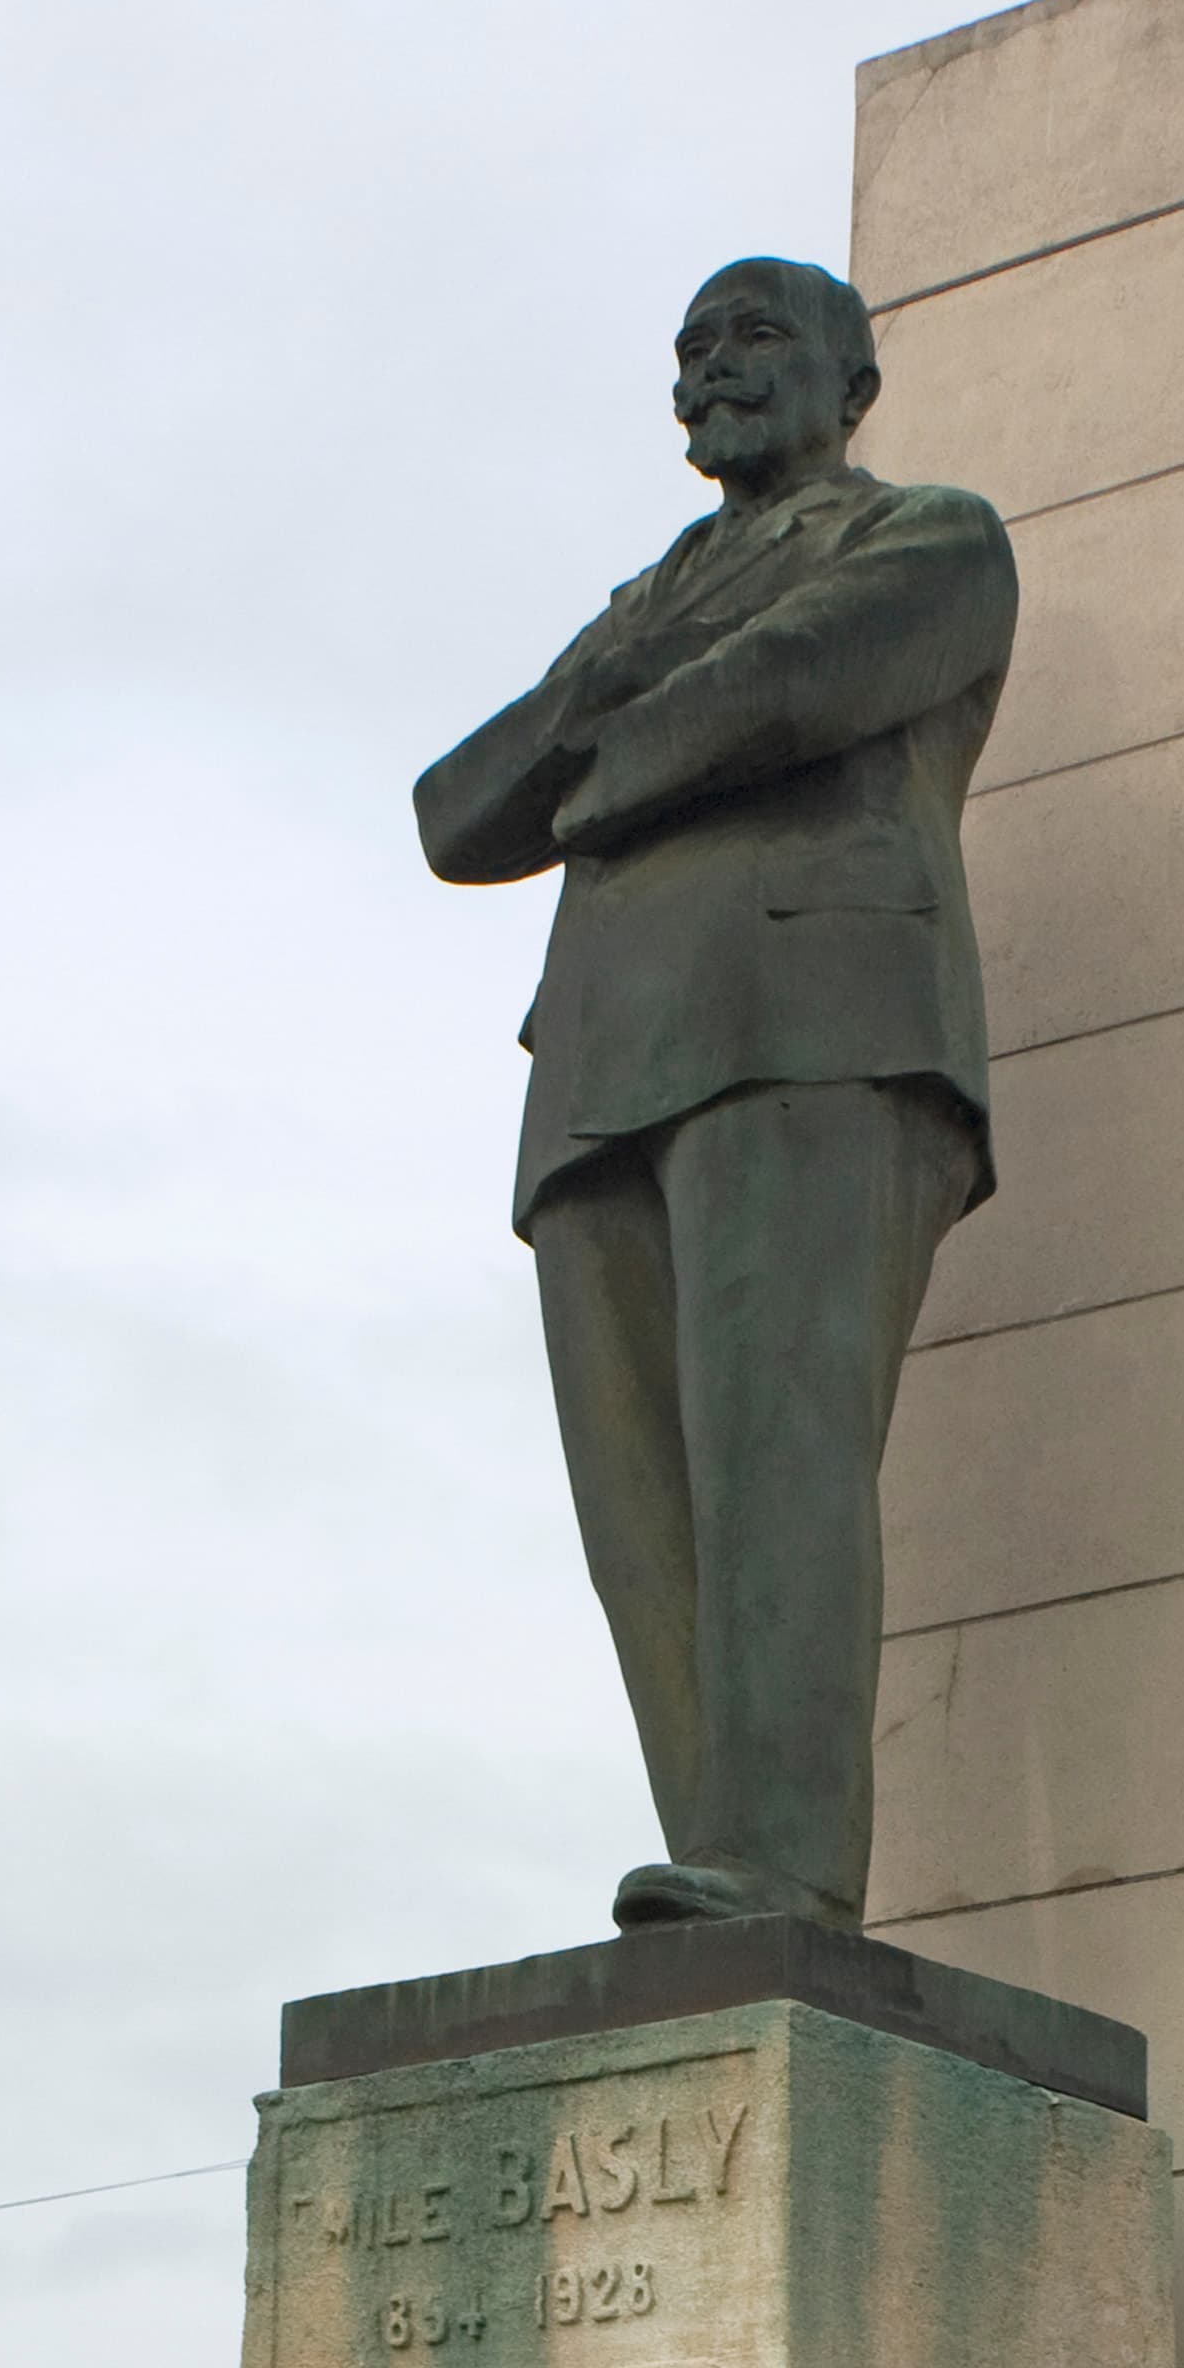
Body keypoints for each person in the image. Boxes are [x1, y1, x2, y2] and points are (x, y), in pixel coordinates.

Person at [415, 256, 1017, 1934]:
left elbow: (793, 691)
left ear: (850, 379)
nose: (712, 374)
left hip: (816, 1019)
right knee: (645, 1514)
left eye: (754, 339)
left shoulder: (933, 538)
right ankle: (719, 1869)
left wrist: (592, 750)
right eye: (690, 352)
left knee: (781, 1451)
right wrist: (602, 716)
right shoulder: (651, 597)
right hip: (602, 1071)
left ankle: (787, 1867)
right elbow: (459, 812)